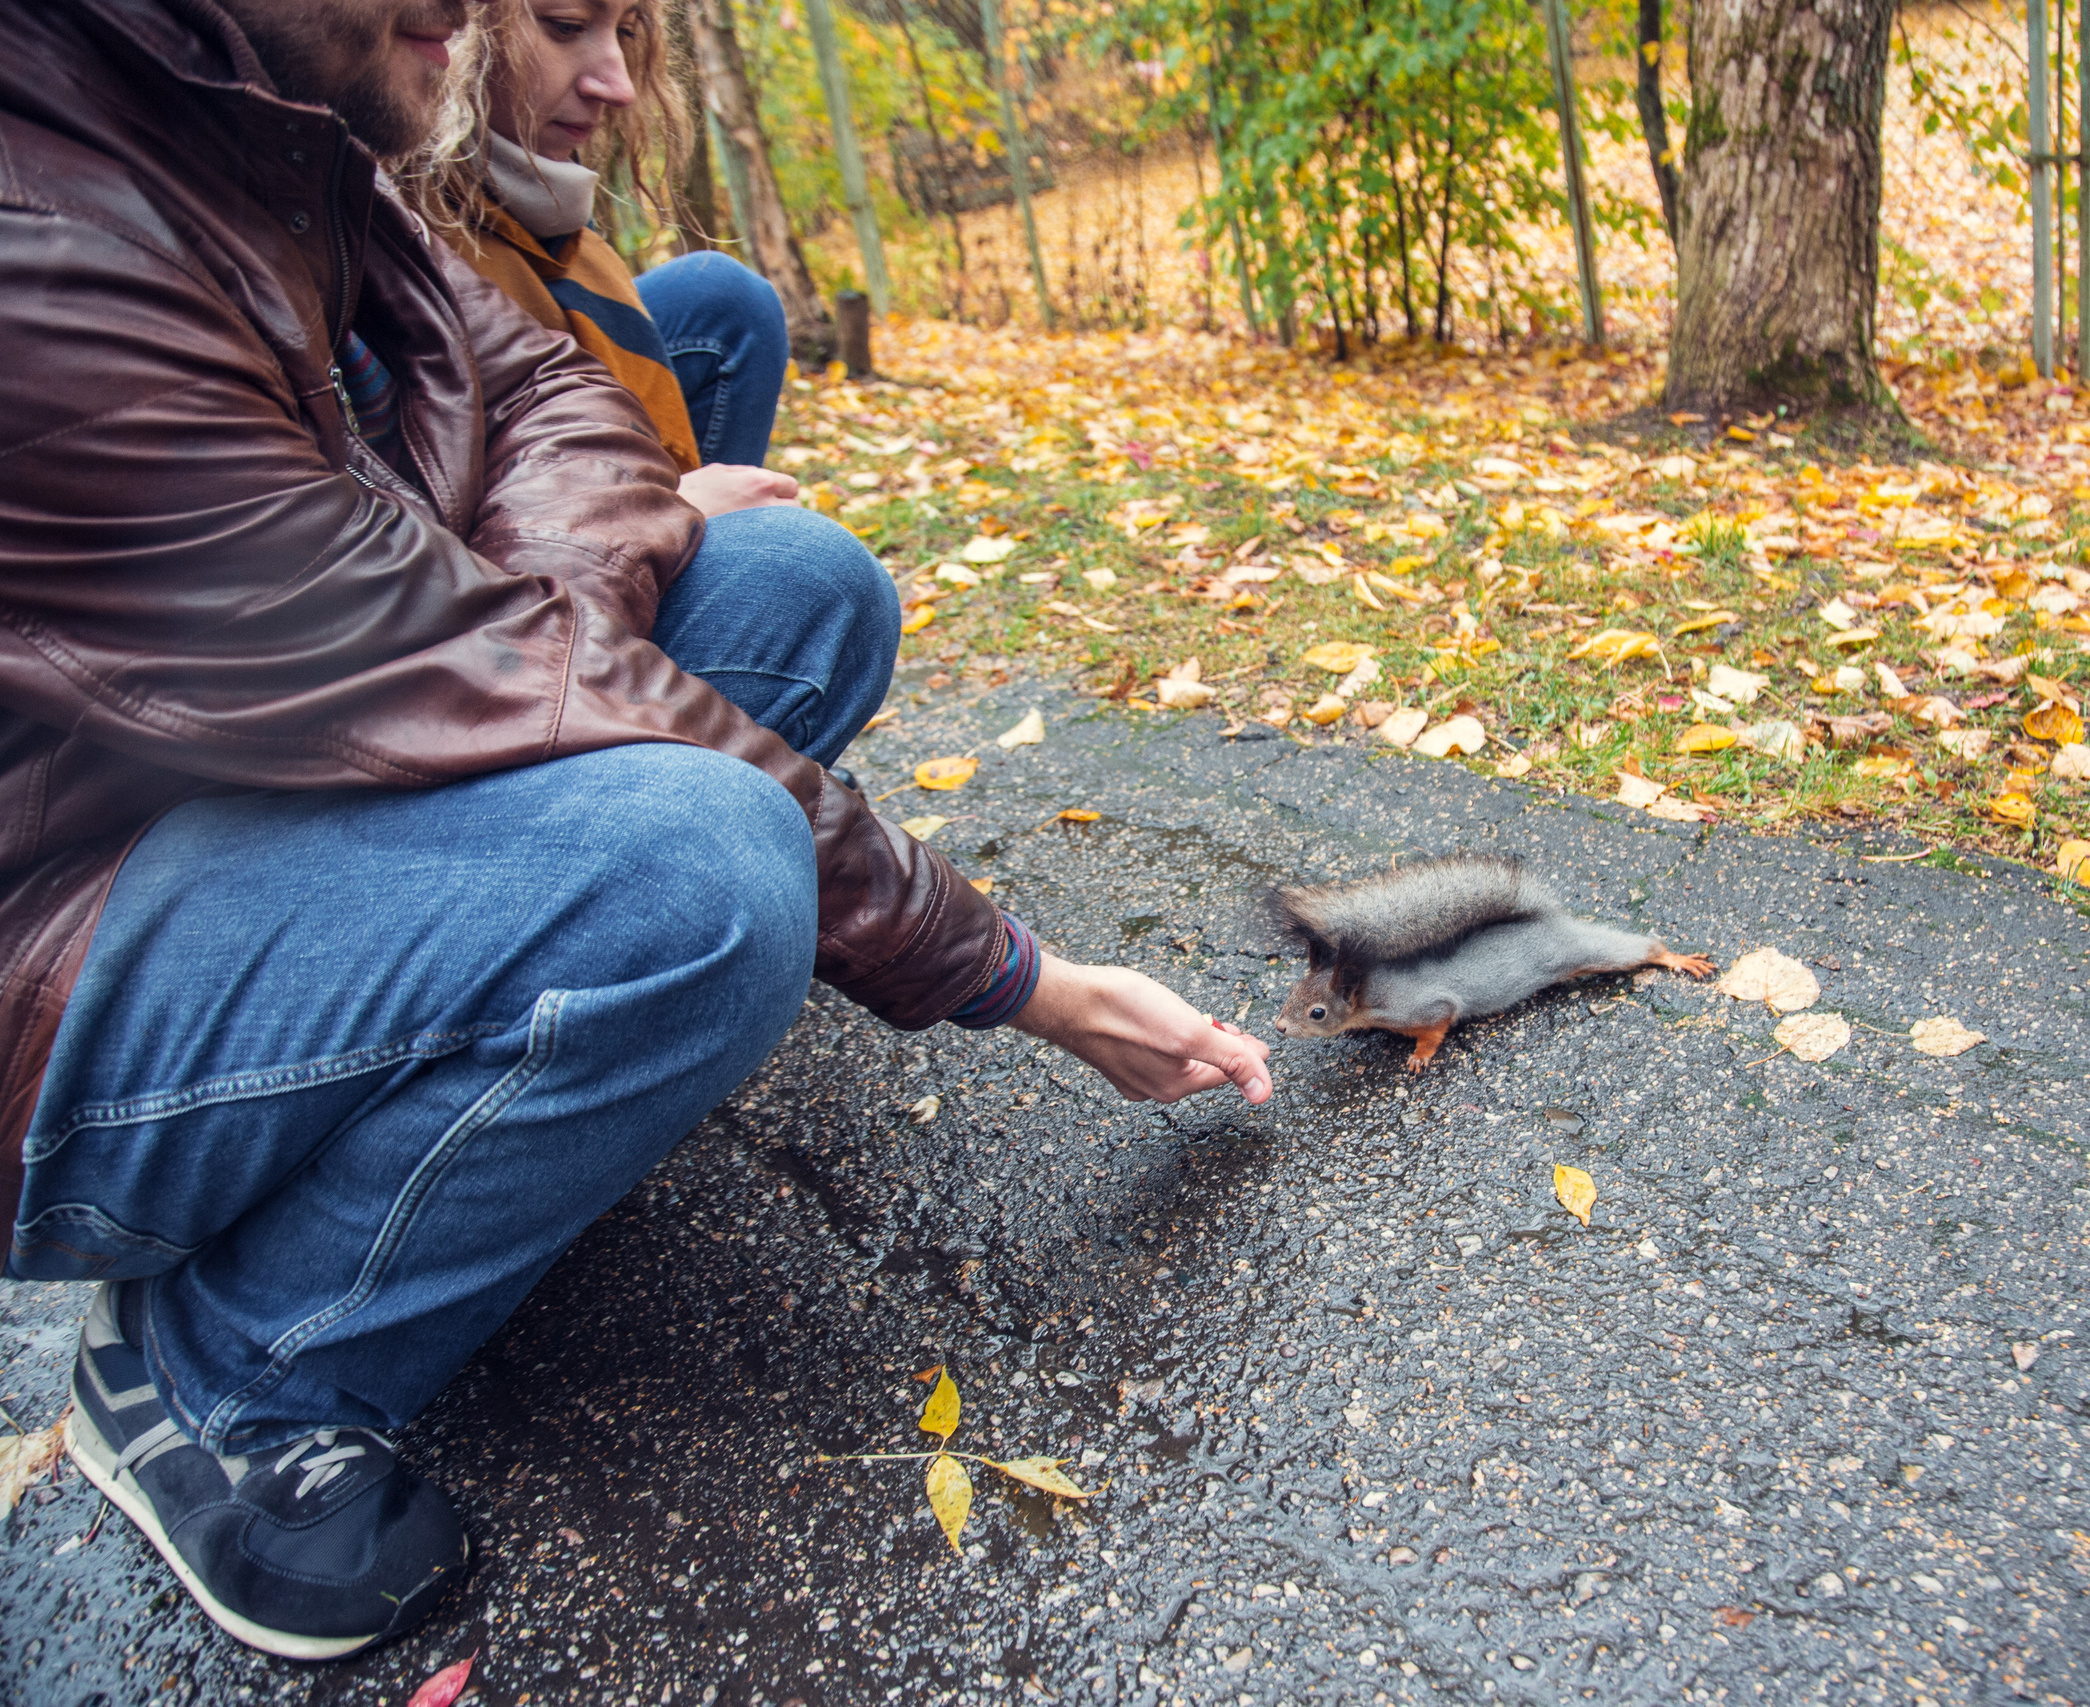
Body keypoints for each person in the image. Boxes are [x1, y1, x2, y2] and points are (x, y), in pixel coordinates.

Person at [0, 0, 1272, 1664]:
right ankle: (222, 1373)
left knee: (800, 596)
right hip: (74, 952)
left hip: (272, 774)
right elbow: (453, 639)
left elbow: (554, 406)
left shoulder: (278, 132)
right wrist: (1011, 972)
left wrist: (526, 640)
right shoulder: (42, 236)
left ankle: (499, 1056)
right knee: (705, 871)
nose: (464, 14)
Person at [418, 0, 801, 522]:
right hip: (497, 566)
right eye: (566, 27)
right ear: (453, 25)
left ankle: (704, 564)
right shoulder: (378, 217)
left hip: (569, 480)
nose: (619, 87)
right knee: (812, 563)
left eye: (626, 32)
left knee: (723, 298)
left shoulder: (541, 204)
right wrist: (659, 510)